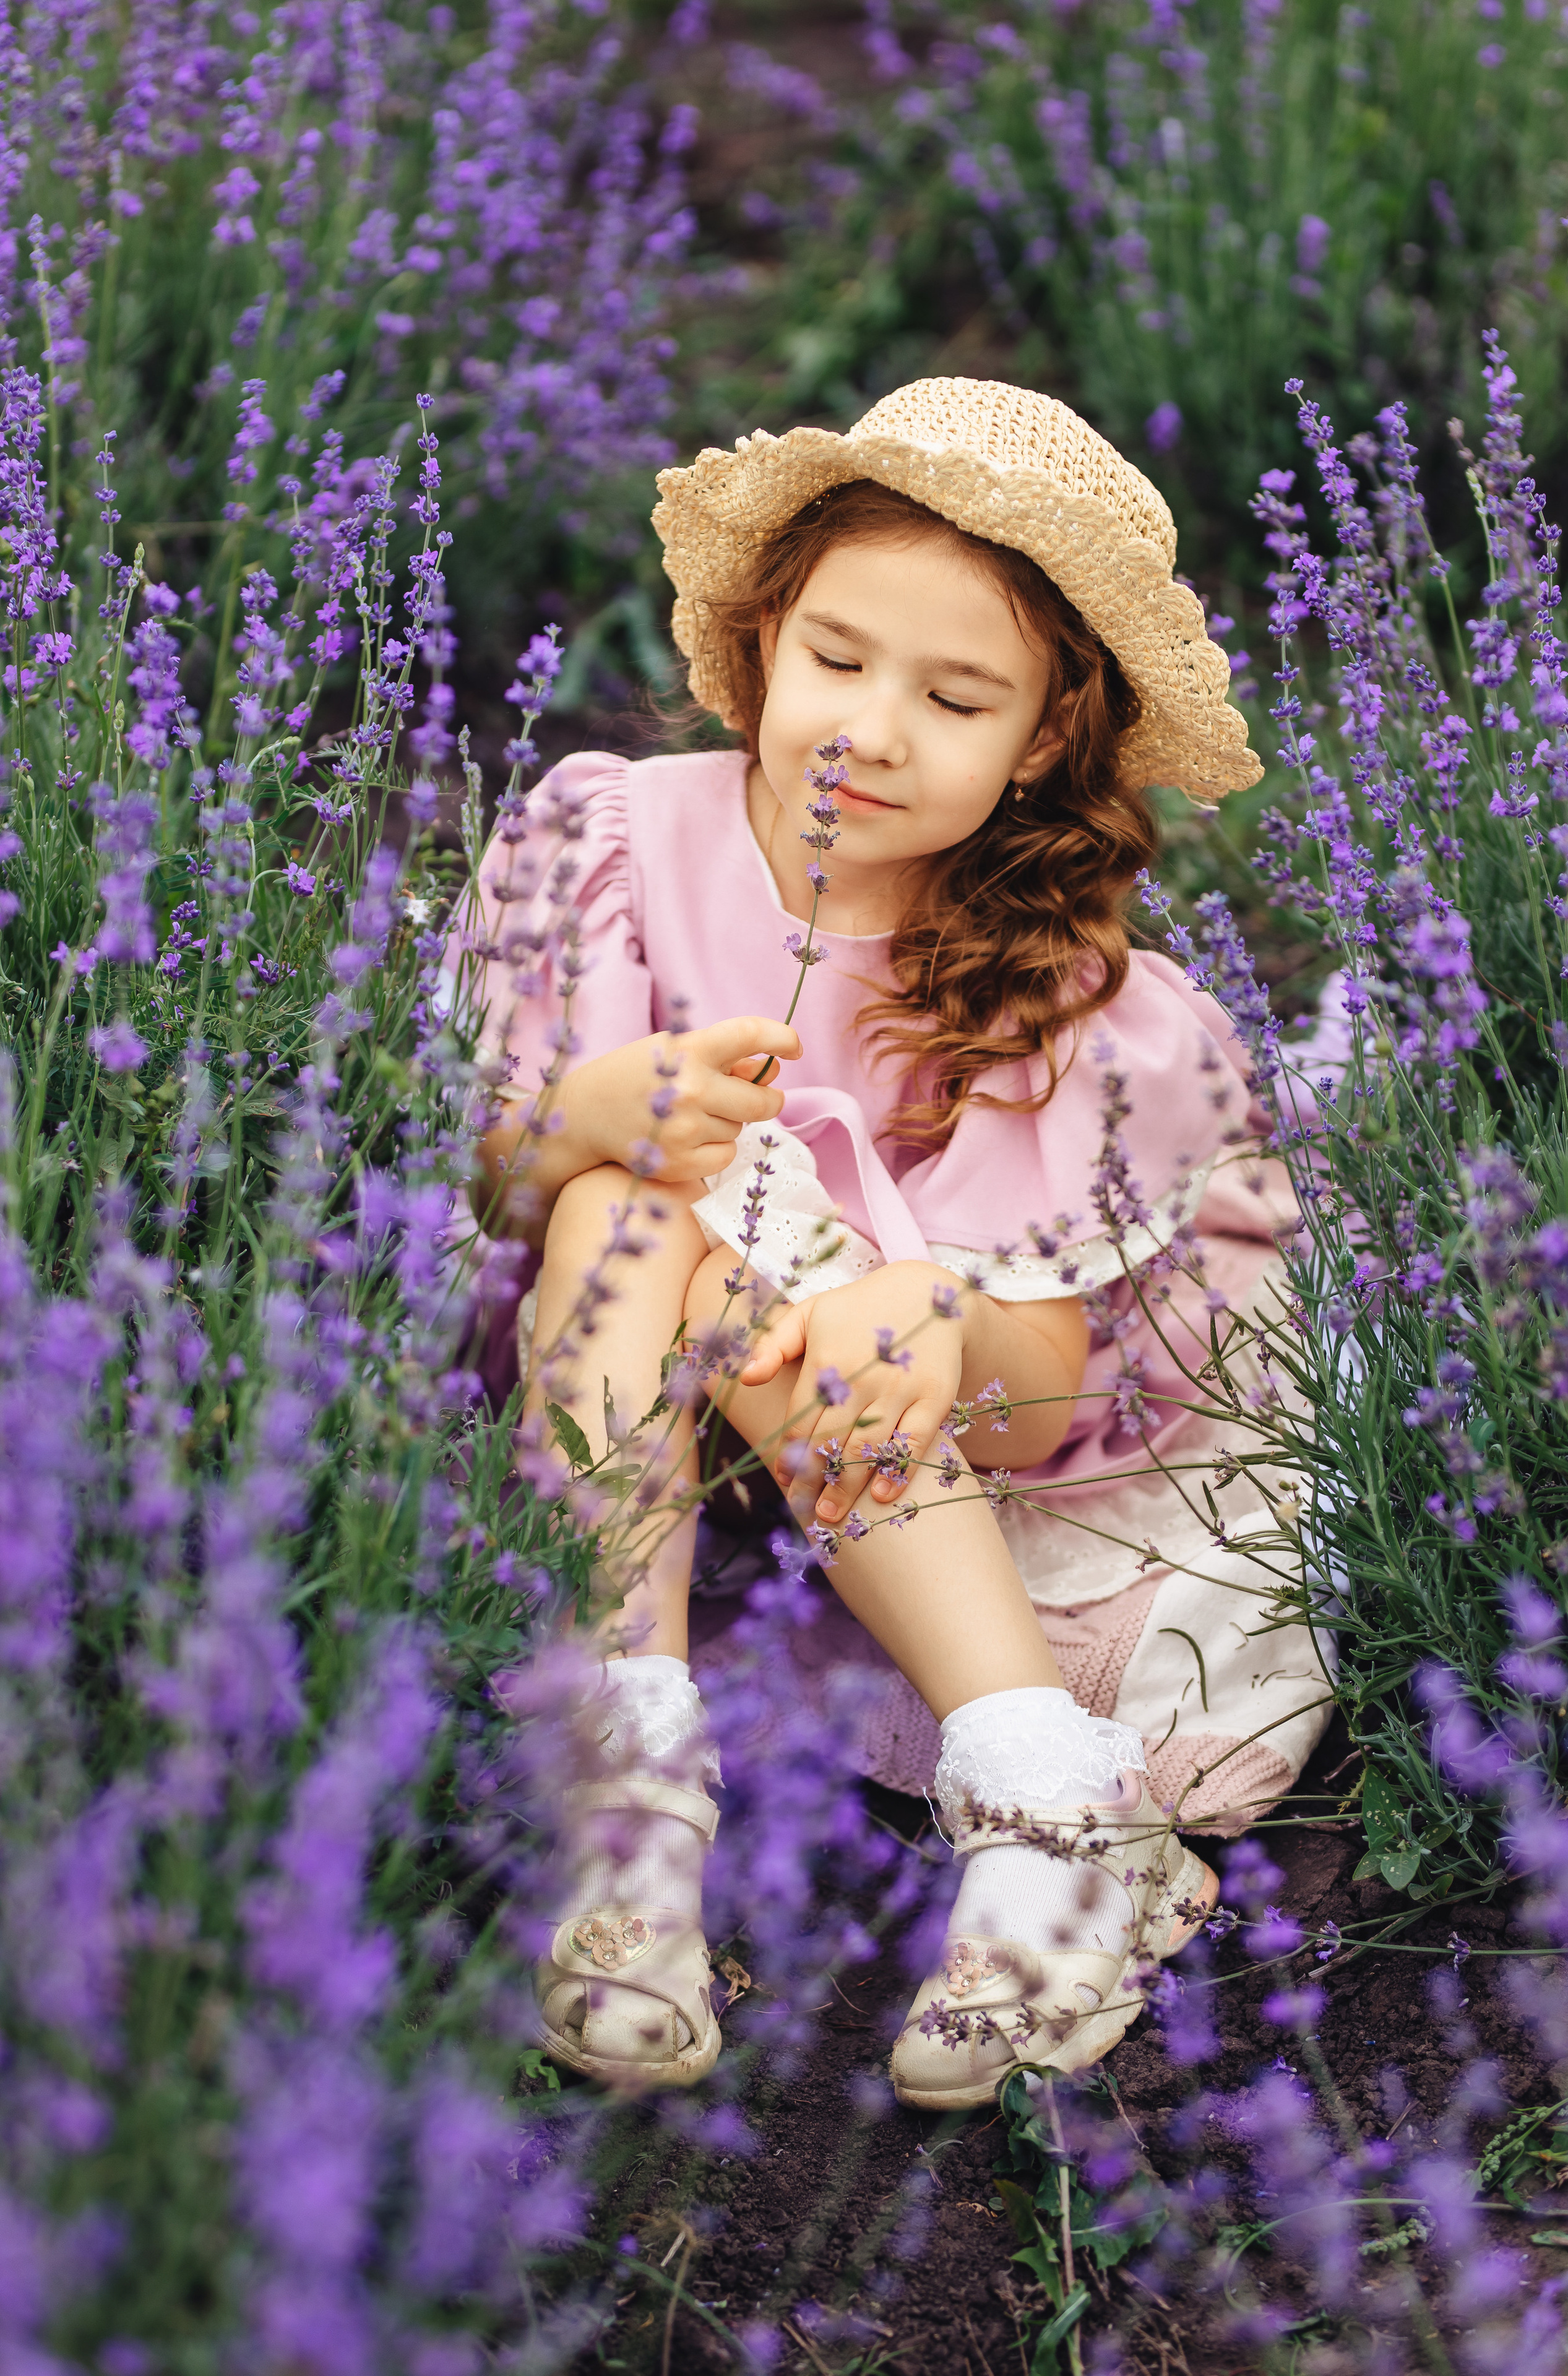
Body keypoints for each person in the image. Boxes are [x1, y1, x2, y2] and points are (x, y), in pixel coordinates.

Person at [457, 379, 1332, 2104]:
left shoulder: (1067, 994)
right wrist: (594, 1109)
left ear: (1043, 748)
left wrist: (933, 1310)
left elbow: (1038, 1394)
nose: (869, 729)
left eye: (958, 697)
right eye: (839, 658)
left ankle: (1042, 1807)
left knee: (775, 1291)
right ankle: (627, 1813)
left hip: (909, 1446)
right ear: (765, 638)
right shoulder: (622, 841)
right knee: (632, 1201)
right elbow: (500, 1179)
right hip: (621, 1411)